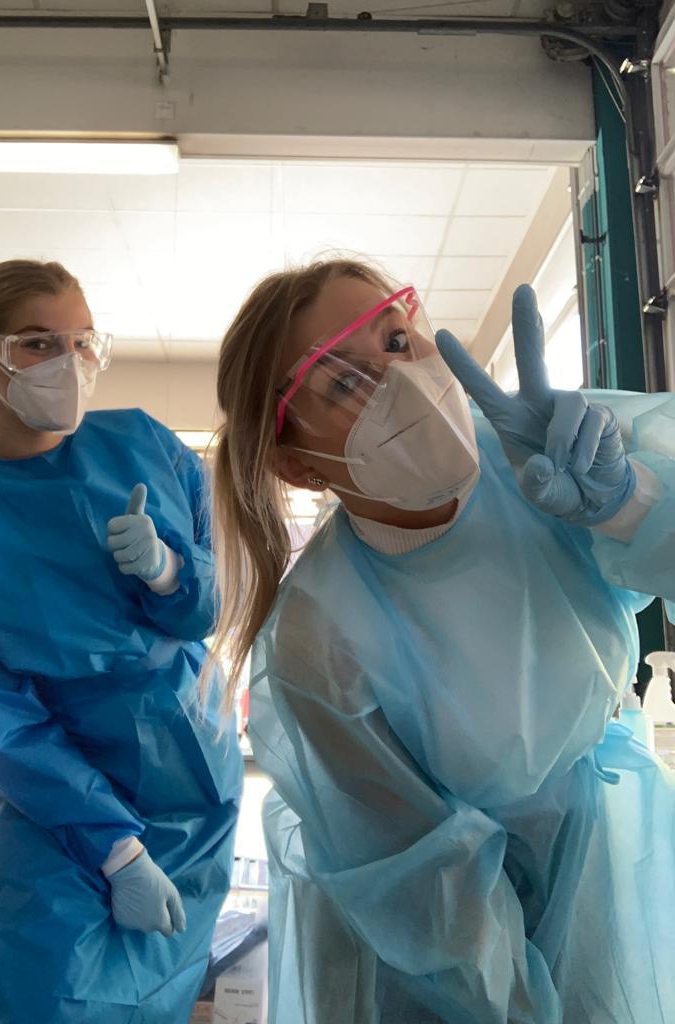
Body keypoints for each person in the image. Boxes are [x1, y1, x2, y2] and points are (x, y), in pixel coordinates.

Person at [205, 257, 675, 1023]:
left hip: (611, 863)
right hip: (435, 961)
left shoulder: (543, 462)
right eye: (343, 383)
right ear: (297, 463)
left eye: (397, 340)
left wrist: (628, 506)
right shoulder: (319, 638)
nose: (398, 382)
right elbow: (430, 896)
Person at [0, 260, 242, 1023]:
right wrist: (115, 848)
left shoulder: (147, 446)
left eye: (81, 341)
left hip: (193, 786)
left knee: (164, 993)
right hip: (56, 809)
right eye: (36, 343)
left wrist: (166, 573)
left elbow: (208, 605)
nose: (68, 363)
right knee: (51, 1001)